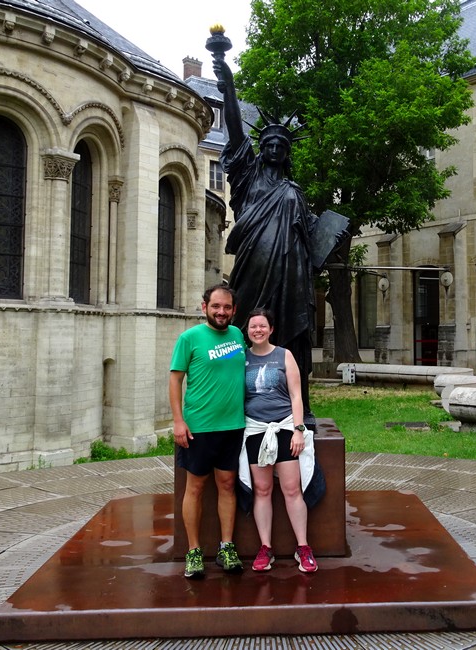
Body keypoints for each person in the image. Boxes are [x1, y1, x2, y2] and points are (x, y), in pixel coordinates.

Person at [212, 54, 317, 420]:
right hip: (254, 267)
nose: (273, 149)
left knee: (291, 335)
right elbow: (238, 132)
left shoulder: (294, 189)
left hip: (292, 274)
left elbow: (311, 236)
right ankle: (236, 402)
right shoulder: (247, 177)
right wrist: (229, 86)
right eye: (268, 144)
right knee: (247, 332)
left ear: (286, 153)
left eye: (280, 146)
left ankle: (298, 404)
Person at [169, 284, 246, 579]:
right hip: (199, 427)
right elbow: (175, 380)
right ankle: (194, 551)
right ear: (204, 308)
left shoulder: (238, 335)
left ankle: (226, 547)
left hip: (233, 426)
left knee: (227, 485)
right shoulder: (189, 338)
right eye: (216, 307)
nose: (221, 312)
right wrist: (178, 421)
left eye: (227, 307)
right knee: (196, 488)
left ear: (234, 310)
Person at [239, 308, 318, 573]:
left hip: (284, 428)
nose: (257, 330)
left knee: (291, 489)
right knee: (262, 490)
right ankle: (265, 547)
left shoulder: (284, 355)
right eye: (253, 327)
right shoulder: (242, 359)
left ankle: (303, 547)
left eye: (262, 326)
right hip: (255, 430)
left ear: (271, 329)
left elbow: (297, 396)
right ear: (247, 331)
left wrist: (298, 430)